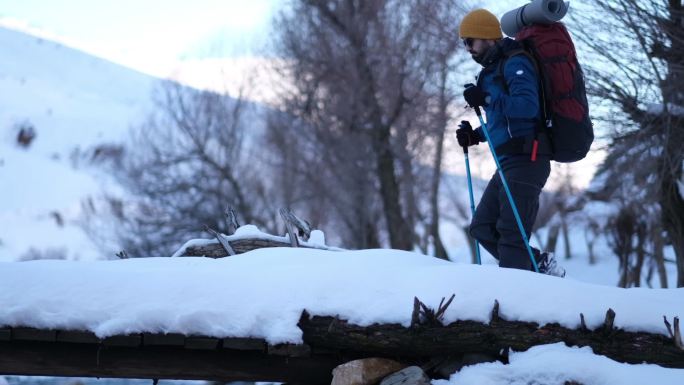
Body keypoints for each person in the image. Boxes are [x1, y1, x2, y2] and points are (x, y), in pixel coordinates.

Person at [456, 9, 565, 277]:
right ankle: (539, 266)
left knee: (511, 236)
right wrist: (476, 136)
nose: (468, 48)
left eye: (470, 40)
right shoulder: (492, 71)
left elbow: (527, 107)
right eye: (464, 42)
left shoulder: (516, 62)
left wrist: (488, 100)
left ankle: (515, 306)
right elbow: (503, 122)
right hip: (508, 162)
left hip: (528, 158)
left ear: (487, 38)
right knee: (482, 227)